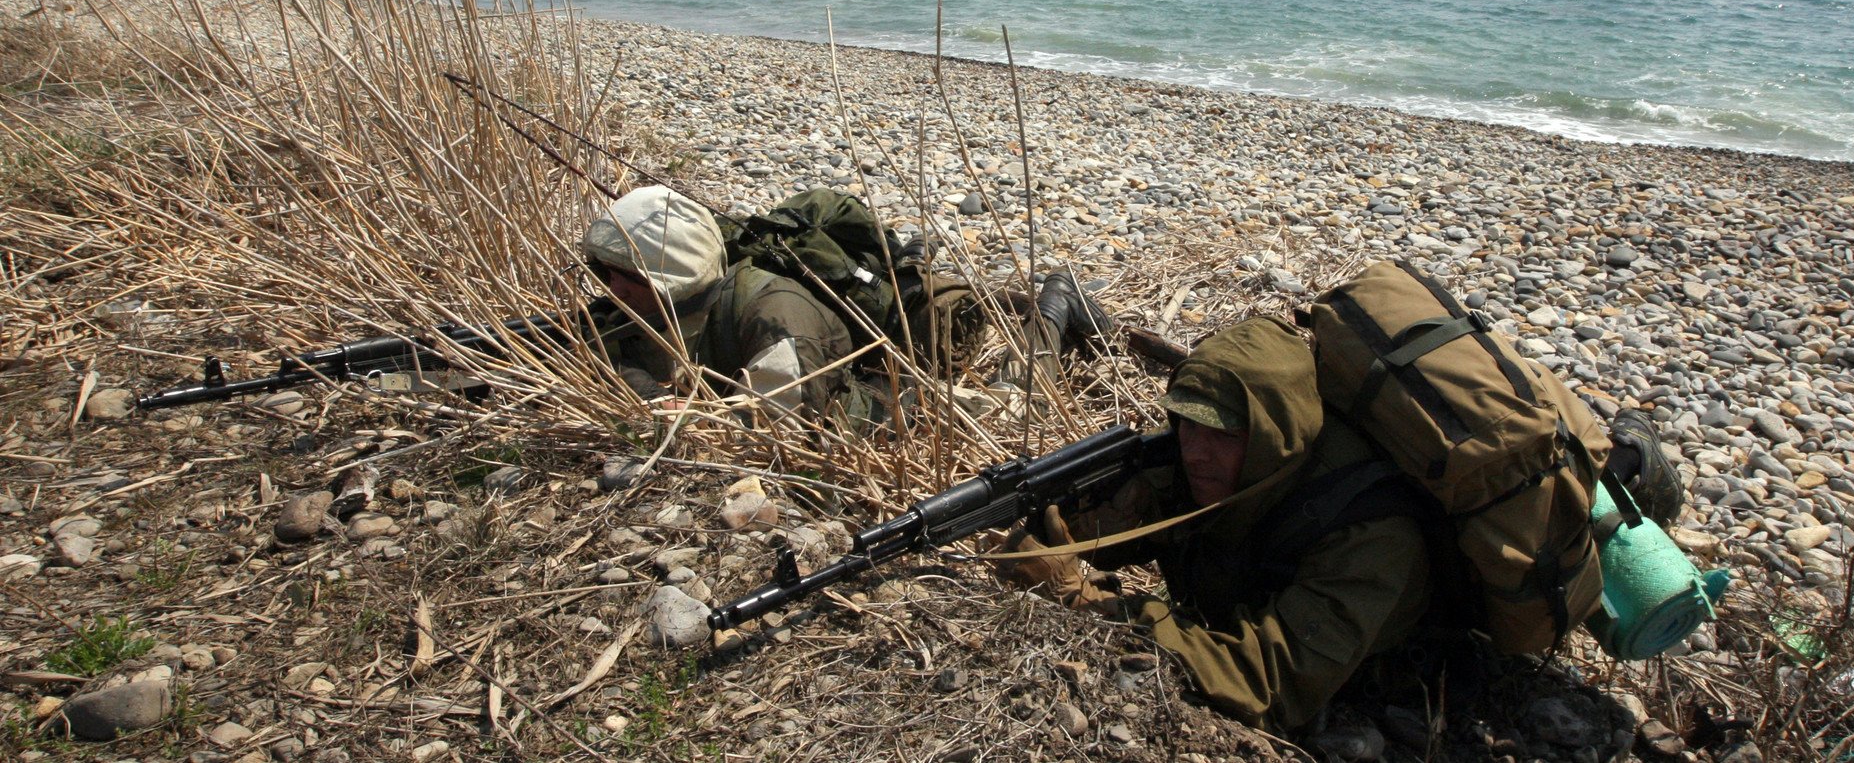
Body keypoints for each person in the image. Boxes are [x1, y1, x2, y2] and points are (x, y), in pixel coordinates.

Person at [999, 316, 1685, 734]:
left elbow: (1272, 682)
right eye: (1186, 425)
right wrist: (1053, 521)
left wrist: (1080, 597)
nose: (1194, 449)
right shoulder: (1220, 459)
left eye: (1221, 433)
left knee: (1594, 485)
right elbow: (1112, 510)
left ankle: (1629, 460)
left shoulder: (1372, 535)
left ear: (1269, 433)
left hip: (1422, 625)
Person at [580, 185, 885, 433]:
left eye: (632, 278)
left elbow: (773, 431)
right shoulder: (657, 302)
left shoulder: (776, 317)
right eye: (603, 272)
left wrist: (661, 406)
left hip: (867, 429)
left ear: (677, 276)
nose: (613, 290)